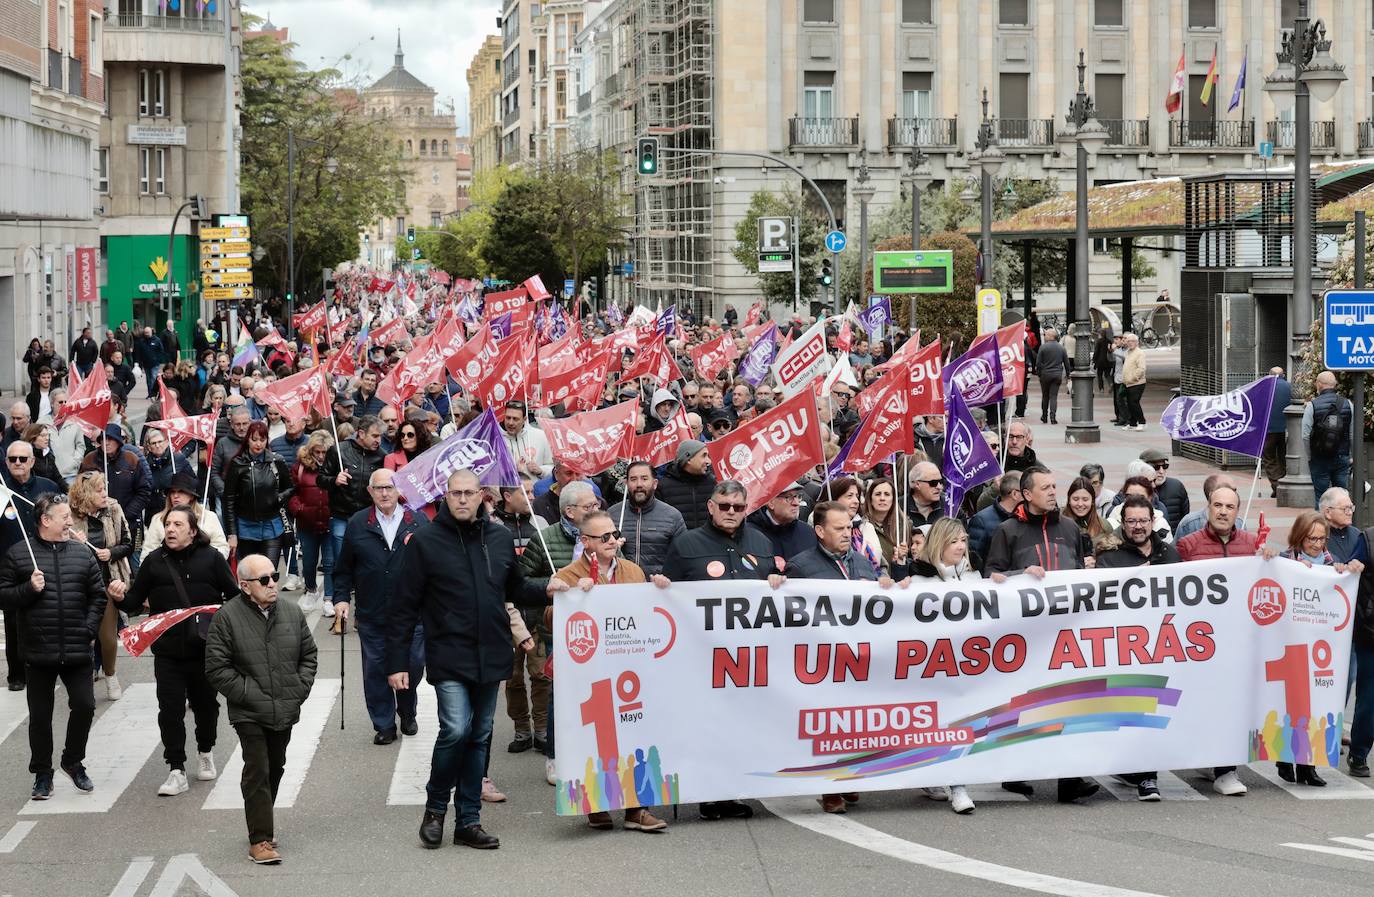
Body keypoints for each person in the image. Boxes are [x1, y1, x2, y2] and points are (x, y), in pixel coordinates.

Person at [388, 469, 568, 851]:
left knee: (480, 736)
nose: (463, 500)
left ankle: (468, 821)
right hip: (449, 651)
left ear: (483, 495)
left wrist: (547, 589)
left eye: (470, 493)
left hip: (491, 652)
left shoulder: (499, 537)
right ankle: (436, 810)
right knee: (456, 729)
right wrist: (397, 662)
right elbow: (402, 606)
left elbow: (515, 587)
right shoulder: (425, 541)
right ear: (446, 497)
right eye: (456, 494)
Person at [661, 479, 783, 821]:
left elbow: (776, 587)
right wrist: (661, 588)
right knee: (709, 726)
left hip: (750, 659)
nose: (731, 513)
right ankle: (709, 794)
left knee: (743, 726)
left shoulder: (761, 541)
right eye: (724, 506)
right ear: (711, 506)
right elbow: (667, 594)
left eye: (738, 508)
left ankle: (734, 789)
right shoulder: (686, 543)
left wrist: (777, 580)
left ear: (746, 509)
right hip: (703, 658)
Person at [984, 464, 1099, 803]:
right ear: (1027, 494)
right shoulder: (1007, 531)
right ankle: (1015, 772)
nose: (1053, 492)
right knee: (1023, 702)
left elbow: (1077, 573)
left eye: (1054, 486)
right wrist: (1021, 574)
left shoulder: (1069, 528)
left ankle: (1070, 778)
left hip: (1065, 633)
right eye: (1046, 488)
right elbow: (991, 575)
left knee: (1069, 700)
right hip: (1025, 636)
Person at [551, 510, 668, 833]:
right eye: (604, 537)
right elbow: (551, 620)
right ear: (585, 542)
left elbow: (648, 613)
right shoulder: (569, 574)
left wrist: (661, 591)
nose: (613, 541)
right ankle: (595, 802)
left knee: (635, 735)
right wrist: (564, 595)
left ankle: (636, 809)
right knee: (596, 737)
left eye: (615, 534)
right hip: (590, 674)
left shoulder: (632, 570)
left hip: (629, 670)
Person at [0, 493, 121, 799]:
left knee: (85, 706)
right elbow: (4, 596)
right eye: (64, 516)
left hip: (77, 648)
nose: (71, 521)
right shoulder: (18, 555)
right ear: (45, 520)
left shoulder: (82, 554)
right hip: (38, 652)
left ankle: (73, 761)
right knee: (40, 718)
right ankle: (42, 774)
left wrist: (89, 628)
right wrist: (29, 588)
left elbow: (97, 596)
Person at [204, 554, 318, 865]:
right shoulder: (227, 618)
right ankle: (260, 840)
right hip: (249, 711)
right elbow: (217, 668)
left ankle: (261, 822)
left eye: (274, 576)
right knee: (258, 769)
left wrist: (297, 690)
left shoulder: (292, 613)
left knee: (276, 765)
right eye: (264, 579)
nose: (273, 584)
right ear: (244, 586)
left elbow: (308, 656)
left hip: (284, 705)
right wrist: (249, 694)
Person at [118, 506, 238, 797]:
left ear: (193, 530)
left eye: (177, 524)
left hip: (205, 650)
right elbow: (134, 602)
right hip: (168, 652)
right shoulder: (154, 562)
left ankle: (206, 750)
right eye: (167, 524)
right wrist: (118, 595)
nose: (170, 529)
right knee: (169, 710)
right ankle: (176, 768)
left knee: (206, 707)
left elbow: (234, 597)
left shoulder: (211, 559)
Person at [1175, 484, 1272, 796]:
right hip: (1200, 643)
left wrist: (1270, 558)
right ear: (1208, 507)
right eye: (1217, 505)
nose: (1223, 511)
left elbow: (1275, 579)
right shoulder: (1188, 545)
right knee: (1202, 704)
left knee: (1231, 704)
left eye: (1229, 507)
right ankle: (1207, 756)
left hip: (1237, 642)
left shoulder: (1252, 544)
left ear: (1236, 511)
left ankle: (1226, 770)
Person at [1095, 494, 1183, 800]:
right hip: (1126, 649)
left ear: (1153, 521)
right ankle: (1139, 772)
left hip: (1164, 646)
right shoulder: (1111, 558)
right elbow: (1099, 599)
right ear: (1123, 523)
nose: (1137, 527)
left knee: (1154, 711)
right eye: (1131, 521)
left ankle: (1145, 773)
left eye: (1143, 520)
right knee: (1133, 713)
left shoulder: (1170, 555)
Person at [333, 469, 429, 745]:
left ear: (398, 489)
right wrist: (341, 598)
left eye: (389, 487)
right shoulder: (358, 523)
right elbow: (344, 569)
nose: (385, 493)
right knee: (375, 669)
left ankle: (407, 711)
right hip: (372, 612)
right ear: (370, 492)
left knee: (413, 664)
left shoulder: (417, 521)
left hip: (412, 614)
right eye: (379, 488)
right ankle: (384, 724)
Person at [1278, 509, 1364, 786]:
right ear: (1299, 537)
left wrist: (1343, 572)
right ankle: (1284, 758)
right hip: (1290, 645)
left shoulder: (1331, 563)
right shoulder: (1284, 561)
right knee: (1290, 706)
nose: (1316, 544)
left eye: (1321, 538)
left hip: (1319, 648)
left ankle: (1308, 767)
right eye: (1311, 538)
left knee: (1315, 706)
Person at [907, 517, 984, 813]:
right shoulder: (919, 581)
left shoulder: (975, 576)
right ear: (940, 543)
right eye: (954, 541)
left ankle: (956, 783)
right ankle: (946, 781)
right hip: (934, 664)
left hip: (969, 664)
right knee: (941, 724)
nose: (961, 547)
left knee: (962, 722)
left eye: (963, 540)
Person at [0, 441, 62, 691]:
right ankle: (16, 674)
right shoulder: (1, 491)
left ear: (32, 461)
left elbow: (62, 521)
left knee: (47, 617)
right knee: (14, 622)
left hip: (44, 559)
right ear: (6, 462)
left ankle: (50, 666)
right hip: (10, 566)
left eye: (22, 459)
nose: (17, 463)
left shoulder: (48, 488)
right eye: (12, 459)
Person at [67, 471, 133, 701]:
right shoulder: (70, 514)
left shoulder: (114, 508)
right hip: (78, 583)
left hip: (107, 581)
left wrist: (111, 553)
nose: (105, 494)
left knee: (107, 636)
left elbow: (128, 543)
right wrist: (72, 542)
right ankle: (83, 678)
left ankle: (111, 674)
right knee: (82, 635)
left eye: (104, 488)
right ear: (85, 493)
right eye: (99, 490)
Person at [318, 415, 385, 617]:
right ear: (361, 433)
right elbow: (321, 478)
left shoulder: (381, 456)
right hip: (341, 515)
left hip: (368, 518)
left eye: (380, 436)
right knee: (341, 562)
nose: (378, 440)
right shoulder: (339, 450)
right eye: (374, 435)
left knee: (366, 564)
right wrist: (334, 480)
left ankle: (362, 612)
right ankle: (338, 604)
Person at [222, 421, 294, 570]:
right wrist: (231, 534)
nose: (258, 444)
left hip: (272, 524)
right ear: (247, 439)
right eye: (254, 439)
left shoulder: (276, 461)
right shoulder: (238, 463)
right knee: (251, 573)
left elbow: (290, 488)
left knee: (269, 571)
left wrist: (279, 497)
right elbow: (228, 500)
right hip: (246, 525)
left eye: (262, 440)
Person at [608, 461, 686, 577]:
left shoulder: (672, 516)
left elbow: (683, 557)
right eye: (633, 479)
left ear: (654, 484)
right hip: (621, 586)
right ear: (626, 483)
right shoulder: (611, 515)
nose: (639, 484)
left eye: (644, 479)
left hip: (658, 588)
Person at [288, 432, 335, 607]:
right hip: (306, 523)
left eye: (324, 452)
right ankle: (311, 588)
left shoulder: (335, 465)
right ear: (311, 451)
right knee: (309, 561)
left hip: (330, 521)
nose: (321, 456)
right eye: (317, 452)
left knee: (330, 562)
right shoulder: (300, 467)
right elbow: (292, 492)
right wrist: (299, 509)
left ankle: (329, 598)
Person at [141, 470, 229, 561]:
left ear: (191, 496)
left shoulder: (209, 517)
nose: (175, 496)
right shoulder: (158, 519)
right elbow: (147, 553)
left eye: (181, 492)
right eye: (172, 492)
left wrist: (206, 561)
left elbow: (222, 547)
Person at [1303, 370, 1354, 508]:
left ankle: (1321, 528)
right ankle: (1343, 528)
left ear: (1318, 384)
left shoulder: (1311, 406)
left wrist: (1310, 456)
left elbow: (1305, 435)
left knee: (1321, 496)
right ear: (1335, 384)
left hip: (1320, 458)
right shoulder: (1348, 404)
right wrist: (1350, 455)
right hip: (1342, 456)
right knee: (1343, 495)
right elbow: (1351, 433)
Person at [657, 439, 716, 530]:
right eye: (704, 456)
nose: (708, 461)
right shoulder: (663, 486)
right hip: (677, 542)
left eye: (708, 456)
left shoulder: (713, 483)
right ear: (688, 459)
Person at [967, 471, 1022, 570]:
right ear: (1015, 494)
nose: (1030, 495)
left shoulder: (1024, 517)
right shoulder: (981, 521)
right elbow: (974, 560)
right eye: (1026, 491)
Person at [1104, 475, 1174, 544]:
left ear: (1150, 498)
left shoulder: (1160, 523)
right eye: (1129, 497)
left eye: (1140, 497)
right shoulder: (1111, 523)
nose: (1134, 501)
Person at [1139, 448, 1189, 533]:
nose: (1161, 471)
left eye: (1165, 466)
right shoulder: (1134, 489)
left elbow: (1185, 518)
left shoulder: (1177, 486)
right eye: (1156, 467)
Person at [500, 401, 552, 478]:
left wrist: (541, 471)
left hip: (536, 489)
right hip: (510, 489)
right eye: (508, 418)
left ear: (524, 419)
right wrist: (514, 470)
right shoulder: (496, 439)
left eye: (515, 419)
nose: (510, 422)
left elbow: (554, 468)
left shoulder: (541, 436)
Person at [1263, 366, 1291, 498]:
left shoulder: (1265, 388)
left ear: (1270, 375)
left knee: (1269, 458)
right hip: (1287, 429)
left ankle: (1277, 484)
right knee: (1284, 456)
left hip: (1269, 429)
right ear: (1283, 375)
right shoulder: (1291, 387)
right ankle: (1285, 483)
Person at [1062, 476, 1109, 556]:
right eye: (1076, 499)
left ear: (1092, 501)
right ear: (1069, 500)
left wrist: (1095, 559)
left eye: (1085, 499)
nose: (1080, 504)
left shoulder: (1104, 526)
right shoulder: (1058, 523)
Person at [1036, 328, 1068, 424]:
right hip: (1057, 375)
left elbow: (1038, 363)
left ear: (1050, 336)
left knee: (1045, 396)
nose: (1044, 336)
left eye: (1046, 335)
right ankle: (1053, 417)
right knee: (1053, 396)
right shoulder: (1061, 348)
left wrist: (1039, 374)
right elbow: (1066, 363)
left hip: (1045, 375)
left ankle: (1044, 416)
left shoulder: (1043, 347)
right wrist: (1069, 375)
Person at [22, 425, 64, 491]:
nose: (47, 438)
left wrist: (71, 491)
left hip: (50, 492)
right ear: (32, 438)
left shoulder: (49, 455)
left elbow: (58, 478)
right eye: (43, 435)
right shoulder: (25, 456)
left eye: (48, 435)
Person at [1121, 333, 1147, 430]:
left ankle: (1142, 422)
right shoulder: (1128, 352)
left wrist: (1133, 378)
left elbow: (1141, 368)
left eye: (1132, 341)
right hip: (1128, 383)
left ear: (1137, 342)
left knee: (1134, 403)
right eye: (1128, 341)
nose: (1130, 343)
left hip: (1137, 383)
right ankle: (1132, 423)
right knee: (1130, 403)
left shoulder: (1140, 353)